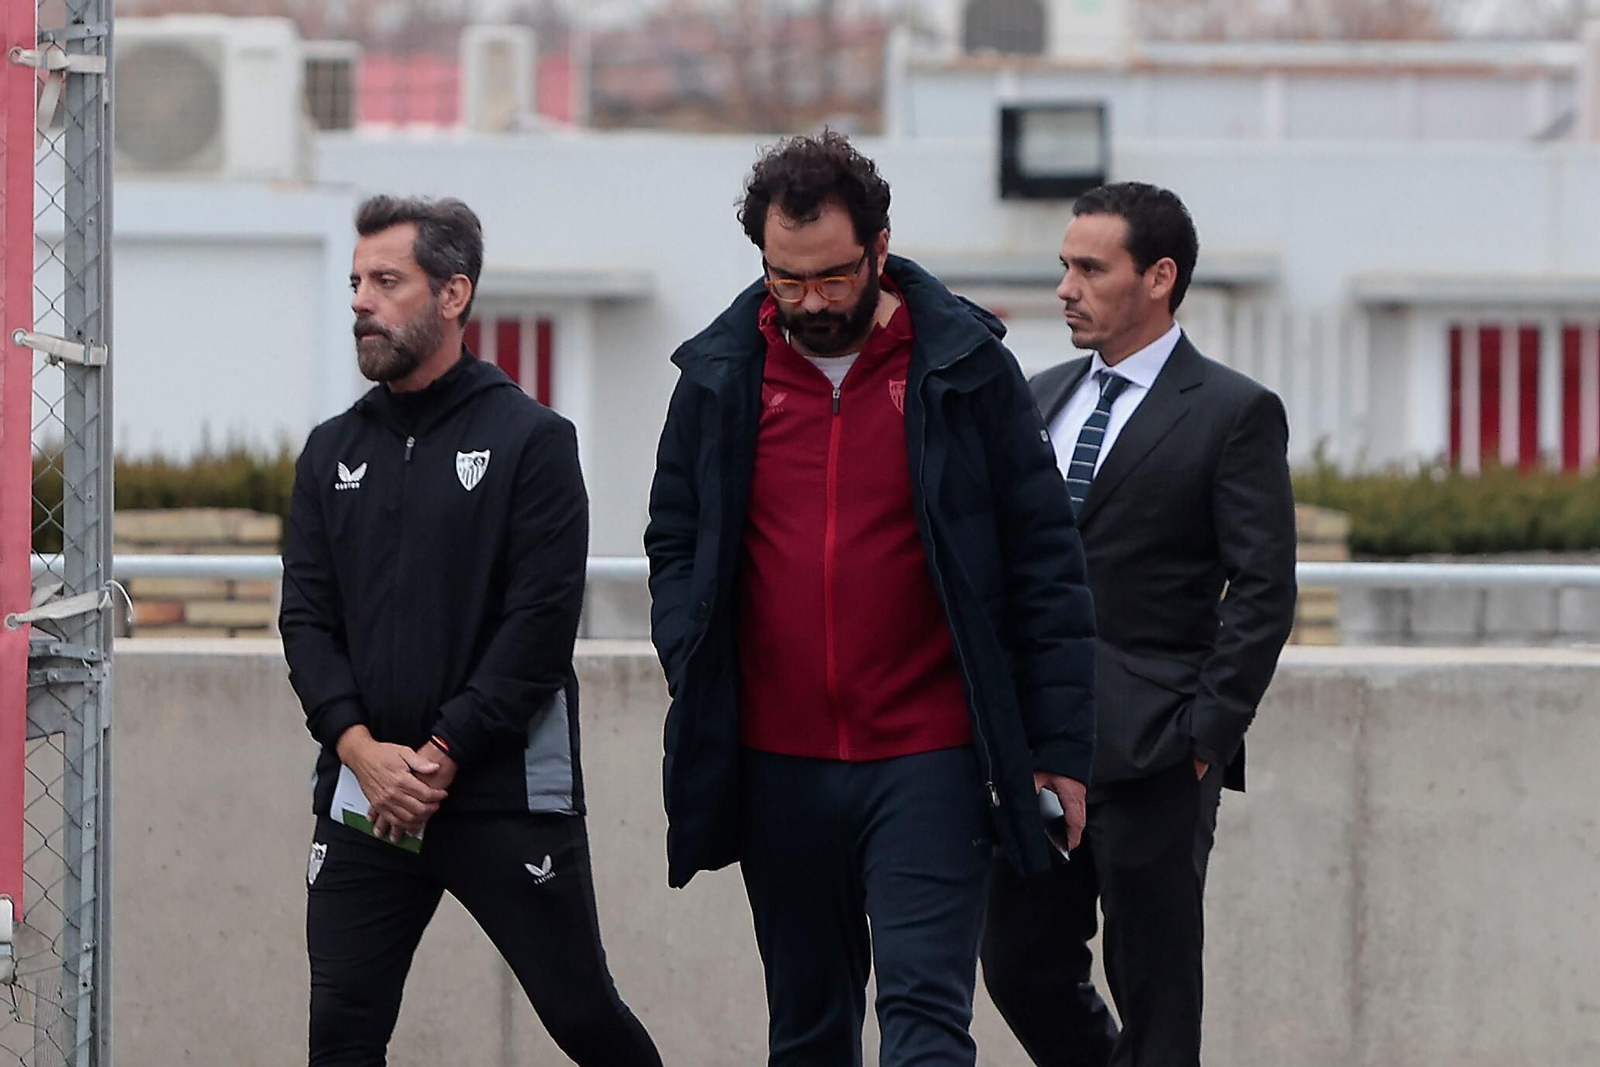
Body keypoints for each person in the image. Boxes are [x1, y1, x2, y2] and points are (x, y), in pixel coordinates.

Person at [644, 131, 1097, 1067]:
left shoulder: (967, 369)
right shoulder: (720, 376)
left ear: (880, 249)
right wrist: (691, 655)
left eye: (834, 278)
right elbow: (676, 538)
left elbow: (1045, 564)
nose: (810, 301)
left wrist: (1056, 749)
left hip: (929, 756)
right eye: (786, 279)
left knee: (927, 1024)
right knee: (808, 1032)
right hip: (775, 759)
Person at [279, 194, 663, 1067]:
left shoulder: (532, 440)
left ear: (453, 295)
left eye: (386, 281)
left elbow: (538, 627)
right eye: (354, 283)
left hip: (500, 793)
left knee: (586, 1017)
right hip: (366, 796)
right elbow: (304, 617)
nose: (360, 302)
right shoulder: (330, 449)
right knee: (340, 1036)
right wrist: (361, 750)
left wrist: (443, 751)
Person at [980, 181, 1298, 1067]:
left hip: (1158, 747)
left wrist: (1205, 732)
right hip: (1038, 742)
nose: (1066, 288)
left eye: (1090, 267)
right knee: (1017, 962)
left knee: (1156, 986)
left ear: (1159, 277)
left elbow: (1266, 586)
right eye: (1063, 267)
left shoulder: (1233, 411)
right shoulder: (1036, 396)